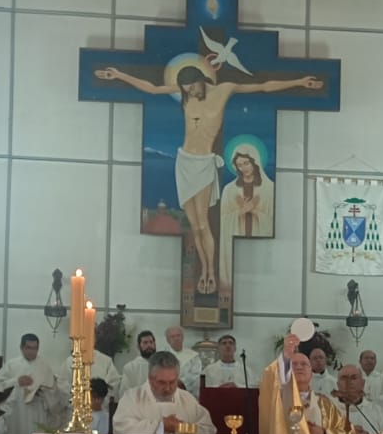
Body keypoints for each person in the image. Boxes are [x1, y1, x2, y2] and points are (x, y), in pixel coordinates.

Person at [95, 58, 321, 296]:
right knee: (194, 224)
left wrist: (299, 81)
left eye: (193, 87)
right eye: (186, 90)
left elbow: (263, 86)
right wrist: (120, 75)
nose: (190, 92)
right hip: (183, 161)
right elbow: (152, 88)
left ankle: (209, 271)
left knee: (203, 222)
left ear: (201, 80)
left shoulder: (224, 89)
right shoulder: (185, 92)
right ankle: (204, 268)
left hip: (203, 163)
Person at [115, 350, 217, 434]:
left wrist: (181, 427)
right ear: (150, 378)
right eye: (162, 382)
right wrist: (161, 426)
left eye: (172, 382)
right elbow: (122, 427)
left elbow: (208, 429)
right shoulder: (132, 398)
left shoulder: (187, 399)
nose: (168, 388)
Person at [3, 332, 60, 434]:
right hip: (18, 410)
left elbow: (53, 388)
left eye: (35, 348)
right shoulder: (12, 365)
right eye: (29, 348)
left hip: (38, 409)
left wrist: (45, 392)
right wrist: (16, 381)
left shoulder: (44, 365)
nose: (32, 351)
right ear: (22, 348)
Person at [218, 144, 275, 287]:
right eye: (239, 165)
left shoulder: (270, 189)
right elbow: (223, 221)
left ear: (255, 162)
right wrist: (239, 212)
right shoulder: (229, 190)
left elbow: (273, 221)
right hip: (235, 246)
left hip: (258, 246)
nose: (244, 168)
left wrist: (254, 211)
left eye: (246, 163)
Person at [164, 324, 202, 394]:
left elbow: (196, 375)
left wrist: (181, 383)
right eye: (172, 336)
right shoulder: (162, 356)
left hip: (188, 392)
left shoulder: (193, 356)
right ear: (167, 340)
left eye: (178, 335)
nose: (176, 338)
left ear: (183, 337)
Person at [119, 329, 157, 393]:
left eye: (151, 342)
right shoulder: (130, 368)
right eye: (145, 342)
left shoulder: (163, 365)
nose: (149, 345)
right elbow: (125, 393)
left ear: (155, 344)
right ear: (138, 346)